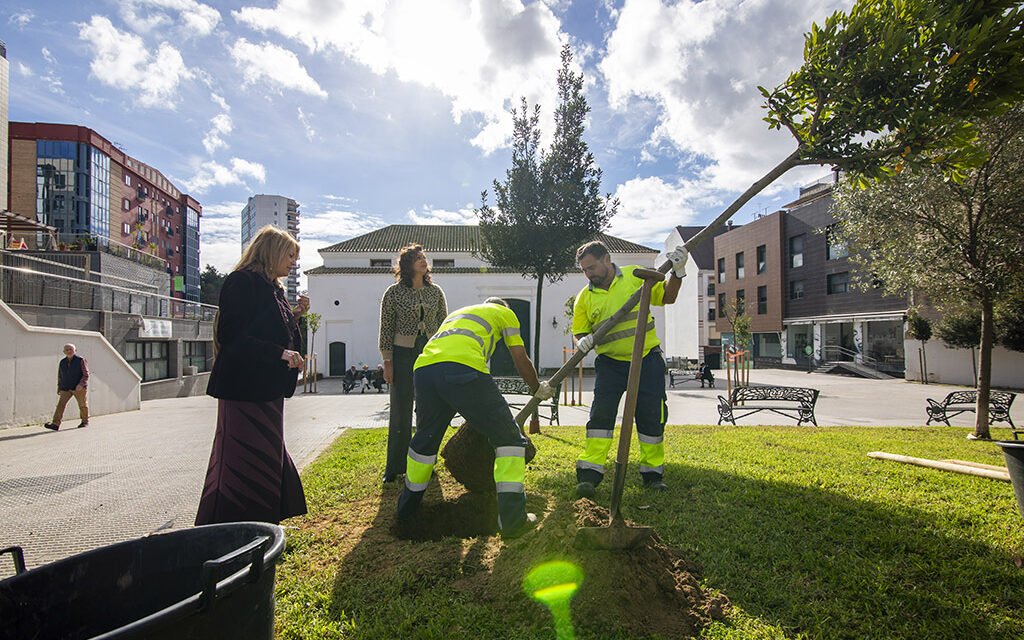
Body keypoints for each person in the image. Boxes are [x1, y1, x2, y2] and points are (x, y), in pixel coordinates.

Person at [396, 298, 552, 538]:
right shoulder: (505, 313)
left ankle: (406, 512)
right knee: (509, 440)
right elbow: (519, 357)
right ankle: (513, 521)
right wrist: (535, 388)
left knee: (424, 443)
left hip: (425, 369)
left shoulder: (460, 313)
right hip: (463, 367)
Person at [196, 224, 309, 525]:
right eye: (290, 255)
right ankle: (231, 527)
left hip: (267, 388)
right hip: (243, 388)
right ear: (271, 252)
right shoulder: (241, 282)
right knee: (241, 459)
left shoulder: (274, 289)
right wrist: (279, 353)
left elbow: (269, 330)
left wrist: (296, 317)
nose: (294, 262)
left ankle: (264, 522)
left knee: (267, 456)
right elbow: (232, 335)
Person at [571, 240, 685, 497]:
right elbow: (578, 332)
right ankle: (589, 474)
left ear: (607, 259)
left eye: (592, 267)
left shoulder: (637, 278)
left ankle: (652, 475)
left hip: (647, 360)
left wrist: (677, 273)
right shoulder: (584, 297)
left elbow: (668, 296)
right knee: (600, 416)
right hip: (610, 365)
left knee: (652, 417)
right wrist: (582, 341)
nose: (589, 274)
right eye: (584, 270)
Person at [378, 244, 448, 484]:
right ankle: (395, 466)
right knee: (400, 409)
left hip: (429, 353)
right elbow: (386, 328)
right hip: (402, 354)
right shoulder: (393, 293)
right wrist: (388, 361)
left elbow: (443, 324)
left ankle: (425, 461)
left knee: (429, 408)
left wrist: (443, 354)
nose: (423, 261)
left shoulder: (436, 292)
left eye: (424, 257)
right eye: (418, 258)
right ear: (407, 265)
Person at [43, 343, 89, 430]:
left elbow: (86, 374)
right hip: (65, 387)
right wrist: (59, 387)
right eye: (67, 350)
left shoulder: (81, 360)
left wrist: (81, 384)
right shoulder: (62, 362)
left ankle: (84, 421)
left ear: (75, 350)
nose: (68, 351)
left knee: (82, 405)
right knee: (60, 405)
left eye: (70, 349)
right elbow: (60, 376)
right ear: (64, 351)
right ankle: (55, 424)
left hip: (78, 388)